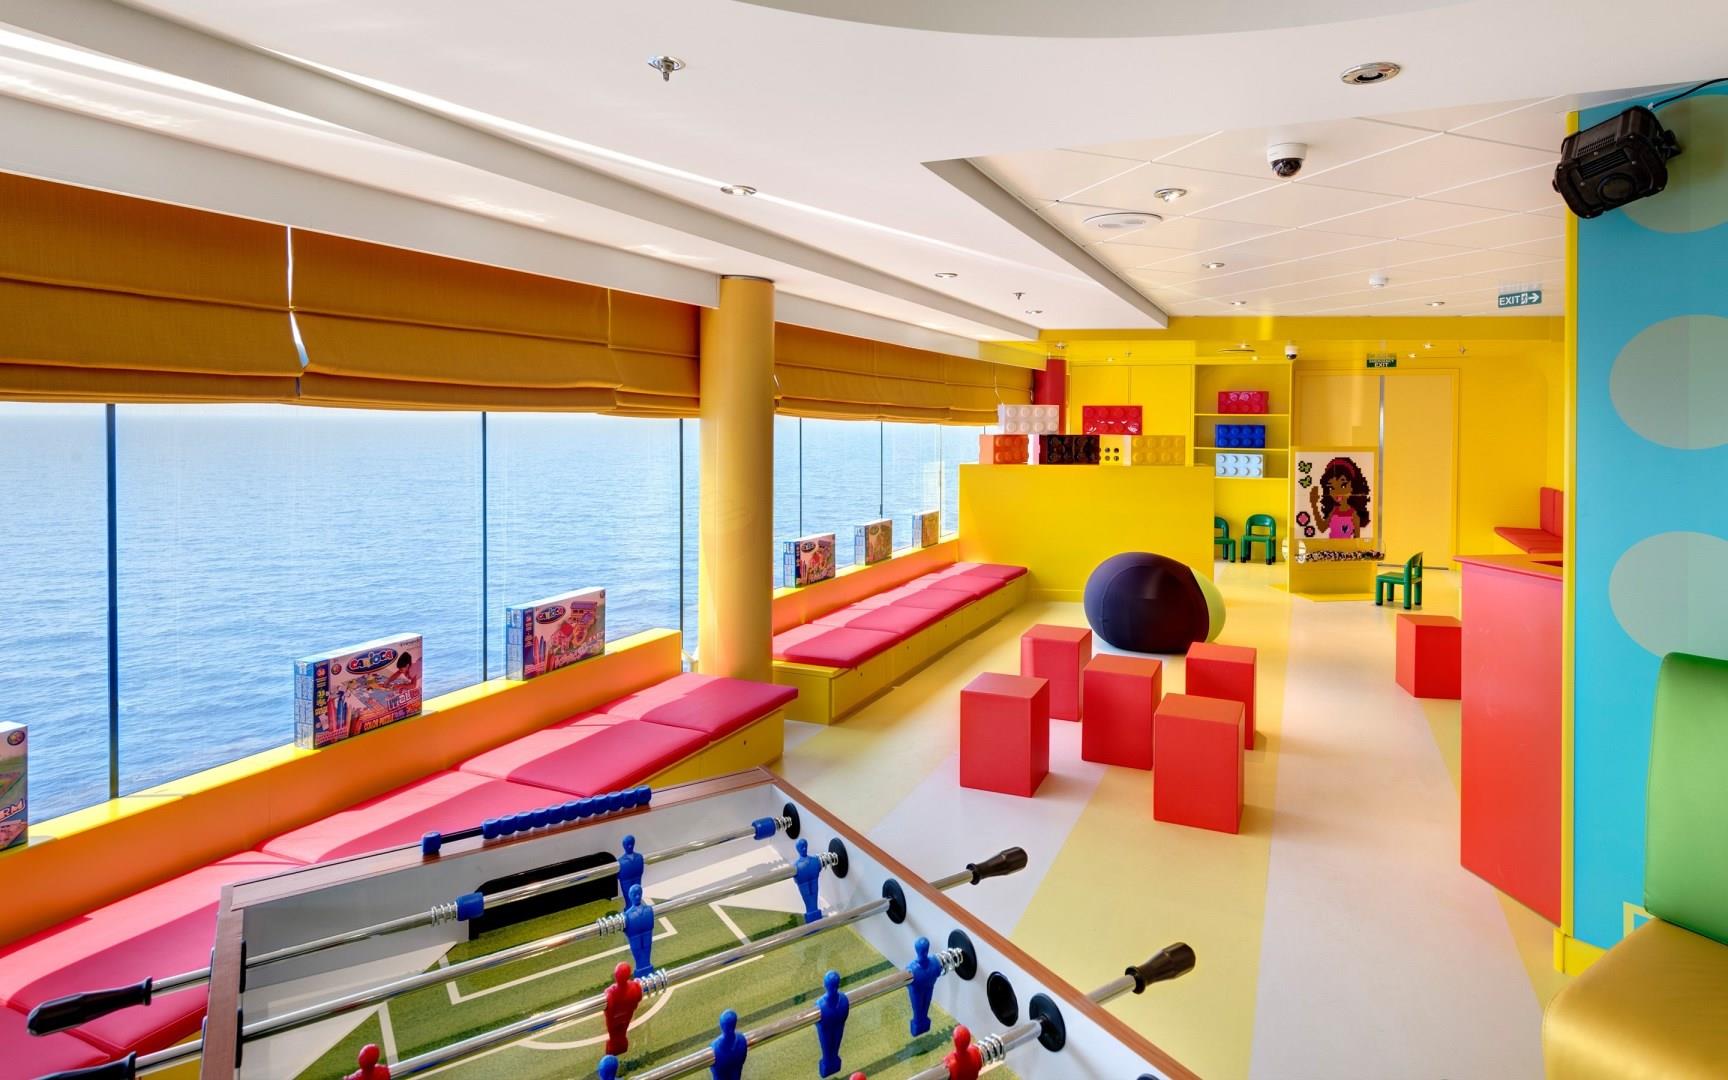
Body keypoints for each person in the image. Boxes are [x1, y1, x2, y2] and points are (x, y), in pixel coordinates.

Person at [1308, 456, 1371, 539]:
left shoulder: (1353, 514)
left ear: (1353, 486)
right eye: (1332, 487)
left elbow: (1356, 539)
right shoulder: (1334, 511)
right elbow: (1322, 528)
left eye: (1343, 485)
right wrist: (1314, 505)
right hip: (1331, 546)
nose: (1337, 492)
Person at [602, 961, 642, 1054]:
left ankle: (614, 1048)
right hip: (626, 1016)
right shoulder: (635, 987)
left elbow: (608, 1003)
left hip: (614, 1018)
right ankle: (619, 1046)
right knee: (621, 1031)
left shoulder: (610, 992)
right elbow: (638, 999)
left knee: (615, 1034)